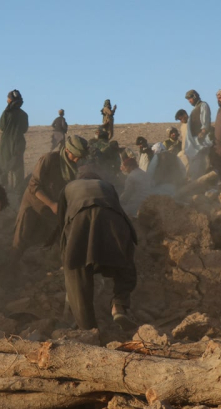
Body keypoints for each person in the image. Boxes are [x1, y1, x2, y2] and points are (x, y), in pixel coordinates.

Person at [59, 174, 138, 331]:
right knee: (125, 264)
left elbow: (62, 222)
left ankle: (88, 327)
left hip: (80, 220)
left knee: (76, 272)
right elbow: (118, 208)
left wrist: (65, 257)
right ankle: (119, 305)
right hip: (113, 219)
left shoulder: (68, 188)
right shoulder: (107, 185)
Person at [12, 135, 89, 260]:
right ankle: (11, 268)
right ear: (67, 150)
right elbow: (34, 185)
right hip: (34, 204)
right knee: (21, 239)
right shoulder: (48, 159)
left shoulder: (75, 167)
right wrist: (51, 204)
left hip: (54, 208)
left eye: (79, 157)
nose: (76, 160)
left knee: (58, 237)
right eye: (74, 156)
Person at [0, 90, 29, 189]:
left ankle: (4, 187)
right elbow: (24, 129)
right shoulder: (24, 114)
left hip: (6, 142)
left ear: (10, 100)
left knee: (4, 165)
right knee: (18, 165)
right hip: (19, 142)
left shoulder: (6, 113)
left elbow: (1, 126)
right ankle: (19, 189)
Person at [184, 90, 212, 179]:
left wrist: (203, 131)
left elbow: (205, 119)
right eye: (188, 99)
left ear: (195, 96)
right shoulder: (195, 109)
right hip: (195, 141)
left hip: (201, 140)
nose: (189, 101)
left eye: (190, 98)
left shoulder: (203, 105)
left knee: (203, 162)